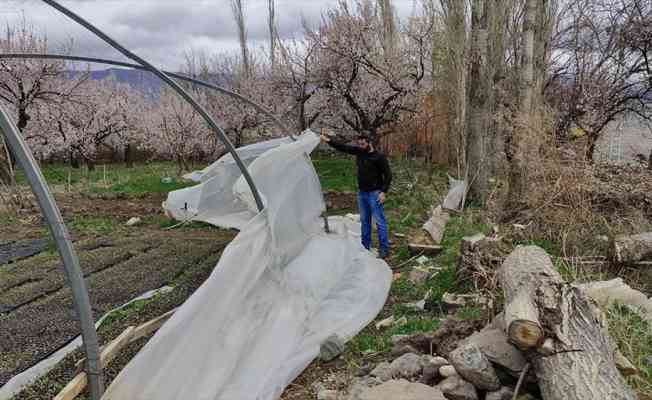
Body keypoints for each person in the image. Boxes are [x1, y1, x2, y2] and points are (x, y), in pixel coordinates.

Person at [321, 132, 392, 259]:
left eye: (363, 144)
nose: (360, 146)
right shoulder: (359, 152)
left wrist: (383, 192)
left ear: (369, 142)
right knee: (365, 221)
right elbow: (343, 147)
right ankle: (365, 246)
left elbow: (388, 175)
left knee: (380, 222)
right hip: (362, 193)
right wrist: (328, 141)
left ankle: (384, 249)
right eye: (359, 144)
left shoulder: (379, 157)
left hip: (375, 193)